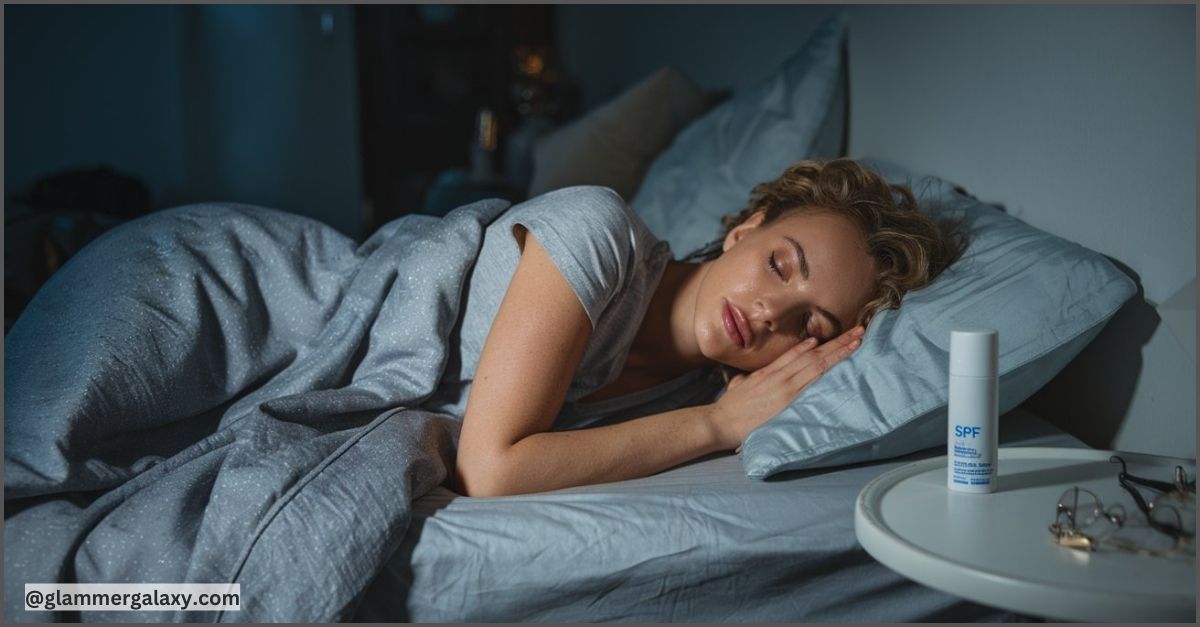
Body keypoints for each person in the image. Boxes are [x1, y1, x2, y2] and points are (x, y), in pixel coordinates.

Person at [446, 158, 965, 497]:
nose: (770, 314)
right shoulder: (596, 230)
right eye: (780, 266)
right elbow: (491, 471)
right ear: (744, 232)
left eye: (809, 322)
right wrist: (715, 425)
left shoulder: (697, 390)